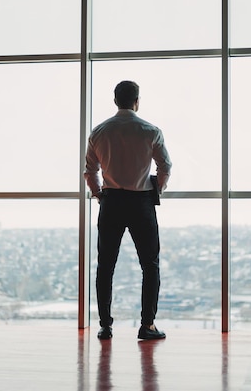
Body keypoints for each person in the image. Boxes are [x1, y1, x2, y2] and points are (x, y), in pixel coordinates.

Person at [84, 80, 172, 341]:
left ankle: (105, 326)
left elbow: (90, 171)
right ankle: (147, 325)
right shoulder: (150, 131)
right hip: (141, 202)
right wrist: (157, 189)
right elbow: (165, 167)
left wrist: (99, 194)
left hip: (111, 202)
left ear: (115, 101)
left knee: (106, 266)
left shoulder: (99, 132)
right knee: (150, 264)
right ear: (137, 101)